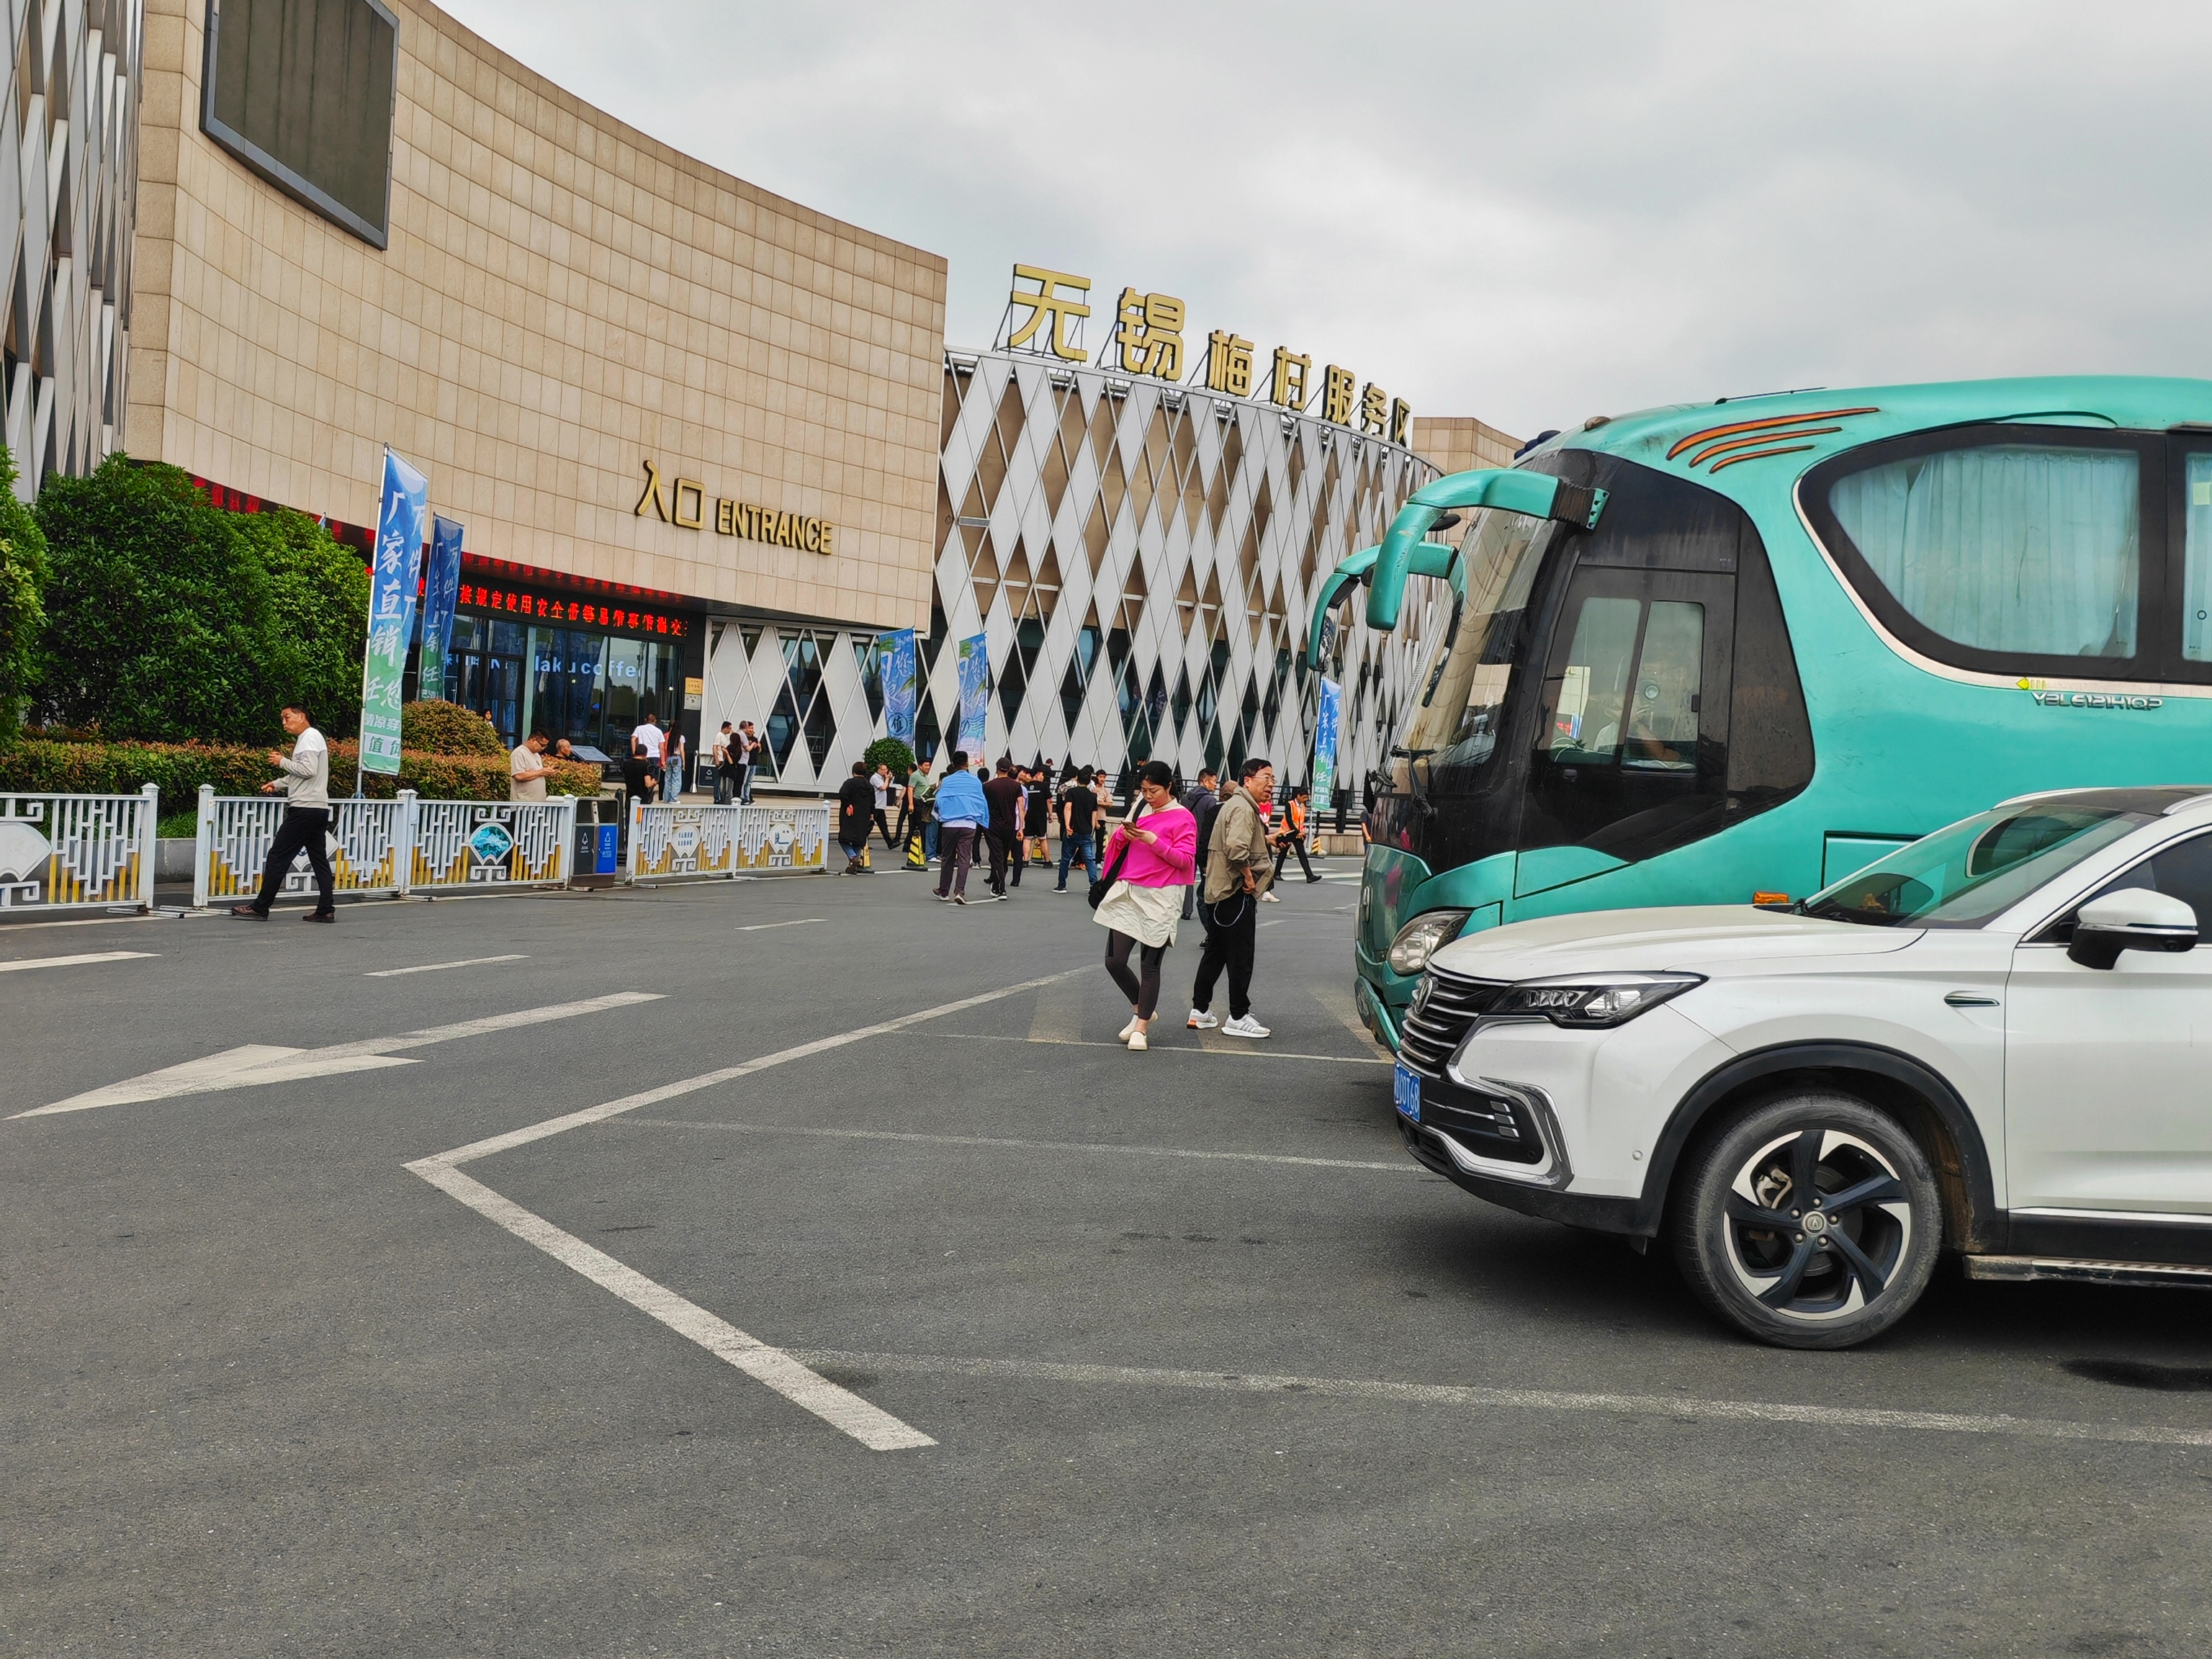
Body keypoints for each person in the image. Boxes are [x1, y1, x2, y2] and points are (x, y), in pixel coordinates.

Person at [1093, 760, 1197, 1053]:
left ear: (1169, 787)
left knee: (1150, 965)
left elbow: (1186, 860)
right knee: (1114, 960)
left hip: (1162, 895)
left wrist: (1153, 840)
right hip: (1128, 888)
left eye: (1154, 791)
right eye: (1144, 790)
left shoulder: (1183, 817)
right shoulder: (1140, 806)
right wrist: (1123, 835)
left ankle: (1141, 1026)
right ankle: (1143, 1008)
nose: (1148, 795)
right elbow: (1119, 842)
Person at [1188, 756, 1276, 1038]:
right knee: (1241, 956)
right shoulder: (1242, 808)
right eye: (1266, 778)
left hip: (1219, 892)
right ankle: (1238, 1015)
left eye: (1273, 779)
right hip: (1234, 892)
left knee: (1215, 953)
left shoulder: (1236, 805)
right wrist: (1250, 878)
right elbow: (1237, 849)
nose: (1271, 785)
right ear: (1248, 780)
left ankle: (1200, 1011)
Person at [230, 704, 336, 922]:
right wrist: (277, 784)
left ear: (301, 716)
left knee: (278, 856)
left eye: (287, 717)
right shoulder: (313, 737)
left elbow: (308, 770)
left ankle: (260, 907)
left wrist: (282, 762)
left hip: (304, 809)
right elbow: (304, 773)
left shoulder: (308, 737)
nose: (284, 722)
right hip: (317, 808)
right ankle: (326, 909)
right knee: (319, 860)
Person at [932, 750, 986, 902]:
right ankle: (959, 891)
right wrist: (983, 819)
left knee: (947, 857)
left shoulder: (947, 781)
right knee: (964, 858)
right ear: (967, 764)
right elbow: (981, 801)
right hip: (969, 823)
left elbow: (939, 800)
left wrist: (938, 816)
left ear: (954, 765)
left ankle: (943, 891)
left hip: (950, 823)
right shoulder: (976, 781)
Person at [1179, 767, 1221, 920]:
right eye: (1214, 781)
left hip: (1186, 841)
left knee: (1187, 877)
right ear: (1205, 780)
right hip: (1202, 843)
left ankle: (1186, 909)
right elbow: (1212, 825)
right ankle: (1205, 906)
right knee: (1205, 877)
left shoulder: (1185, 798)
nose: (1216, 785)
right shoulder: (1210, 800)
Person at [1054, 765, 1100, 894]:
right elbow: (1094, 815)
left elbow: (1068, 808)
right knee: (1089, 860)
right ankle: (1093, 885)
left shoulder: (1071, 793)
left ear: (1077, 779)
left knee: (1065, 859)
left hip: (1073, 830)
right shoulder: (1093, 796)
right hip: (1086, 831)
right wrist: (1091, 830)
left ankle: (1062, 885)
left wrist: (1068, 825)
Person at [982, 757, 1022, 896]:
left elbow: (983, 806)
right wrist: (1021, 827)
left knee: (997, 854)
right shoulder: (1016, 786)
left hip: (992, 825)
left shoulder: (988, 786)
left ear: (997, 767)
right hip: (1010, 825)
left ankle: (1000, 886)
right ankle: (998, 884)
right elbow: (1021, 807)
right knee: (1003, 855)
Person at [1271, 784, 1322, 885]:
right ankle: (1277, 873)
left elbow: (1301, 821)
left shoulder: (1303, 807)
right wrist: (1297, 831)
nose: (1305, 800)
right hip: (1287, 832)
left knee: (1301, 854)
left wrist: (1301, 832)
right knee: (1283, 852)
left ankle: (1309, 875)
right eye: (1304, 797)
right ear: (1298, 796)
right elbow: (1289, 819)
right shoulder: (1289, 804)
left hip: (1297, 833)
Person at [835, 760, 875, 873]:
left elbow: (843, 794)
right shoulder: (869, 786)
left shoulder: (850, 783)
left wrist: (848, 804)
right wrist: (872, 814)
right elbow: (873, 802)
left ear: (853, 771)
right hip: (864, 815)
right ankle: (854, 865)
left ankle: (853, 857)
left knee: (844, 839)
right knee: (859, 841)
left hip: (850, 815)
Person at [509, 730, 553, 802]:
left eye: (545, 746)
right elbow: (518, 776)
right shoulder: (519, 753)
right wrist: (540, 772)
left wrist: (544, 772)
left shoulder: (537, 755)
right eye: (542, 745)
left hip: (538, 804)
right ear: (533, 740)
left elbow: (537, 774)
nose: (543, 748)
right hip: (523, 805)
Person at [908, 757, 938, 863]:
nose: (928, 768)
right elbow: (910, 789)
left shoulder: (925, 776)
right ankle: (921, 849)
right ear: (920, 766)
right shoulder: (915, 775)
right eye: (926, 765)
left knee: (922, 826)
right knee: (921, 825)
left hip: (924, 803)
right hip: (918, 802)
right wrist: (911, 804)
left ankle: (918, 848)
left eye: (929, 765)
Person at [1025, 765, 1052, 865]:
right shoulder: (1044, 786)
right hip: (1040, 816)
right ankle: (1047, 861)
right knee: (1042, 838)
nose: (1043, 777)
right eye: (1042, 775)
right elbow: (1049, 801)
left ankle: (1026, 860)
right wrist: (1050, 814)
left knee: (1027, 838)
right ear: (1037, 775)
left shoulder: (1025, 786)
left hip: (1028, 815)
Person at [871, 763, 898, 850]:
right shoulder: (875, 778)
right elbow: (883, 788)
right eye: (884, 770)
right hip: (876, 805)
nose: (885, 771)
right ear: (879, 770)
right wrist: (887, 779)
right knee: (870, 825)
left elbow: (886, 786)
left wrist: (888, 779)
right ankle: (862, 842)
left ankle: (890, 843)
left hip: (880, 806)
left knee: (883, 826)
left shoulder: (881, 778)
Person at [712, 721, 735, 804]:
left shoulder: (726, 737)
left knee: (723, 780)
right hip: (720, 759)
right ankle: (717, 797)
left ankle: (722, 797)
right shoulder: (719, 735)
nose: (730, 730)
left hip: (725, 760)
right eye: (729, 728)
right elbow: (715, 747)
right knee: (718, 780)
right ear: (725, 728)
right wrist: (716, 759)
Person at [662, 727, 687, 801]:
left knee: (668, 779)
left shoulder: (669, 737)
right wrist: (684, 762)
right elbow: (682, 750)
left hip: (669, 758)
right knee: (676, 779)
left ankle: (666, 798)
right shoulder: (681, 737)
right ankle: (674, 798)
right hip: (677, 757)